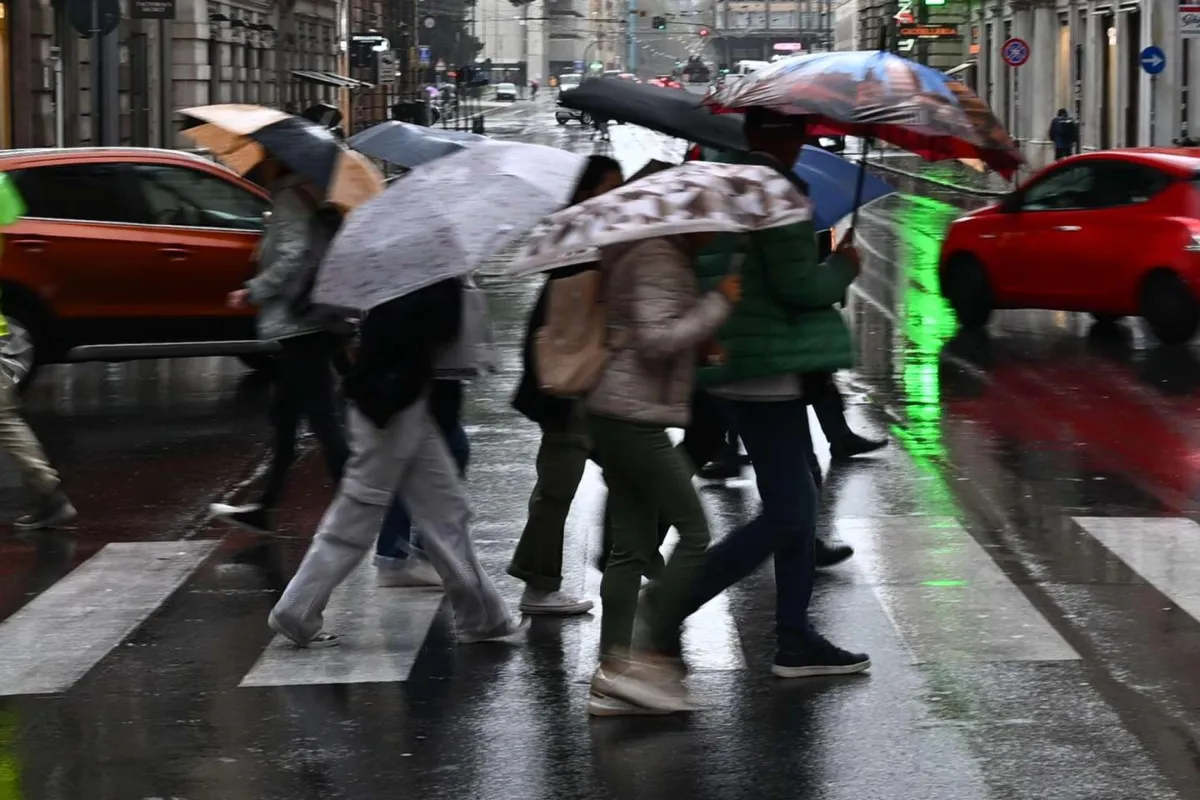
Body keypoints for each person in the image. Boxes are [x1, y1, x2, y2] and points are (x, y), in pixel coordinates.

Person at [681, 108, 870, 685]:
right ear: (780, 139)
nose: (803, 144)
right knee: (789, 512)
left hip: (743, 363)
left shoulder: (727, 183)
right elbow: (798, 286)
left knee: (803, 504)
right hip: (769, 371)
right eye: (798, 135)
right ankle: (667, 607)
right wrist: (842, 266)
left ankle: (794, 635)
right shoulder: (775, 192)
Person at [269, 277, 523, 647]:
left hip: (402, 401)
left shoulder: (403, 266)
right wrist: (460, 292)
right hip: (390, 405)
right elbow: (435, 327)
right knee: (359, 514)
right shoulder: (421, 272)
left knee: (445, 513)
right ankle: (296, 608)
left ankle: (483, 615)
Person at [585, 233, 740, 715]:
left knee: (630, 550)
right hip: (631, 417)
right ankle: (647, 643)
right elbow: (655, 340)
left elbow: (651, 332)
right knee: (695, 532)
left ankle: (612, 673)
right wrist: (719, 303)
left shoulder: (658, 257)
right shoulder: (660, 260)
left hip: (622, 410)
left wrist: (701, 345)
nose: (717, 234)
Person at [508, 156, 623, 615]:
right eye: (606, 187)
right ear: (582, 192)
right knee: (558, 485)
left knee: (627, 473)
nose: (614, 195)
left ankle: (618, 557)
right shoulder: (572, 242)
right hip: (568, 384)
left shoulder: (594, 236)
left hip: (590, 379)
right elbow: (564, 314)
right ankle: (539, 585)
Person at [211, 158, 350, 534]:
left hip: (299, 321)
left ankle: (355, 508)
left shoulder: (291, 197)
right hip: (305, 319)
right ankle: (266, 504)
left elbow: (292, 256)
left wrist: (254, 290)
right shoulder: (306, 192)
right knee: (285, 417)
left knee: (322, 419)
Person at [372, 378, 468, 588]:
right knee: (452, 448)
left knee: (409, 460)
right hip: (421, 375)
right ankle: (414, 555)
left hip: (415, 377)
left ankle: (396, 556)